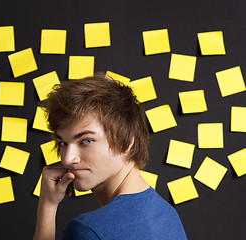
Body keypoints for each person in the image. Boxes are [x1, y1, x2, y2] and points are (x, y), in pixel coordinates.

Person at [33, 75, 187, 240]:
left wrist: (47, 207)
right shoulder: (168, 214)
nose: (68, 159)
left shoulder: (88, 231)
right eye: (63, 143)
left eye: (86, 141)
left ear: (125, 142)